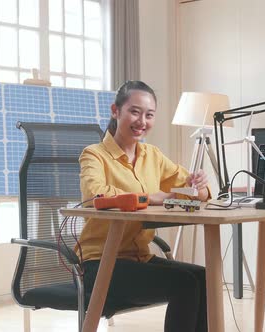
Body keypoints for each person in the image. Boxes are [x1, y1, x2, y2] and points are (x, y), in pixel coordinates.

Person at [76, 80, 210, 332]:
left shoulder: (153, 155)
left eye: (149, 115)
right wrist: (152, 196)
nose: (142, 121)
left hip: (139, 259)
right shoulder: (93, 154)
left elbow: (192, 192)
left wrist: (199, 186)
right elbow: (97, 193)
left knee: (204, 277)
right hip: (100, 265)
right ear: (115, 111)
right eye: (134, 112)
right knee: (185, 284)